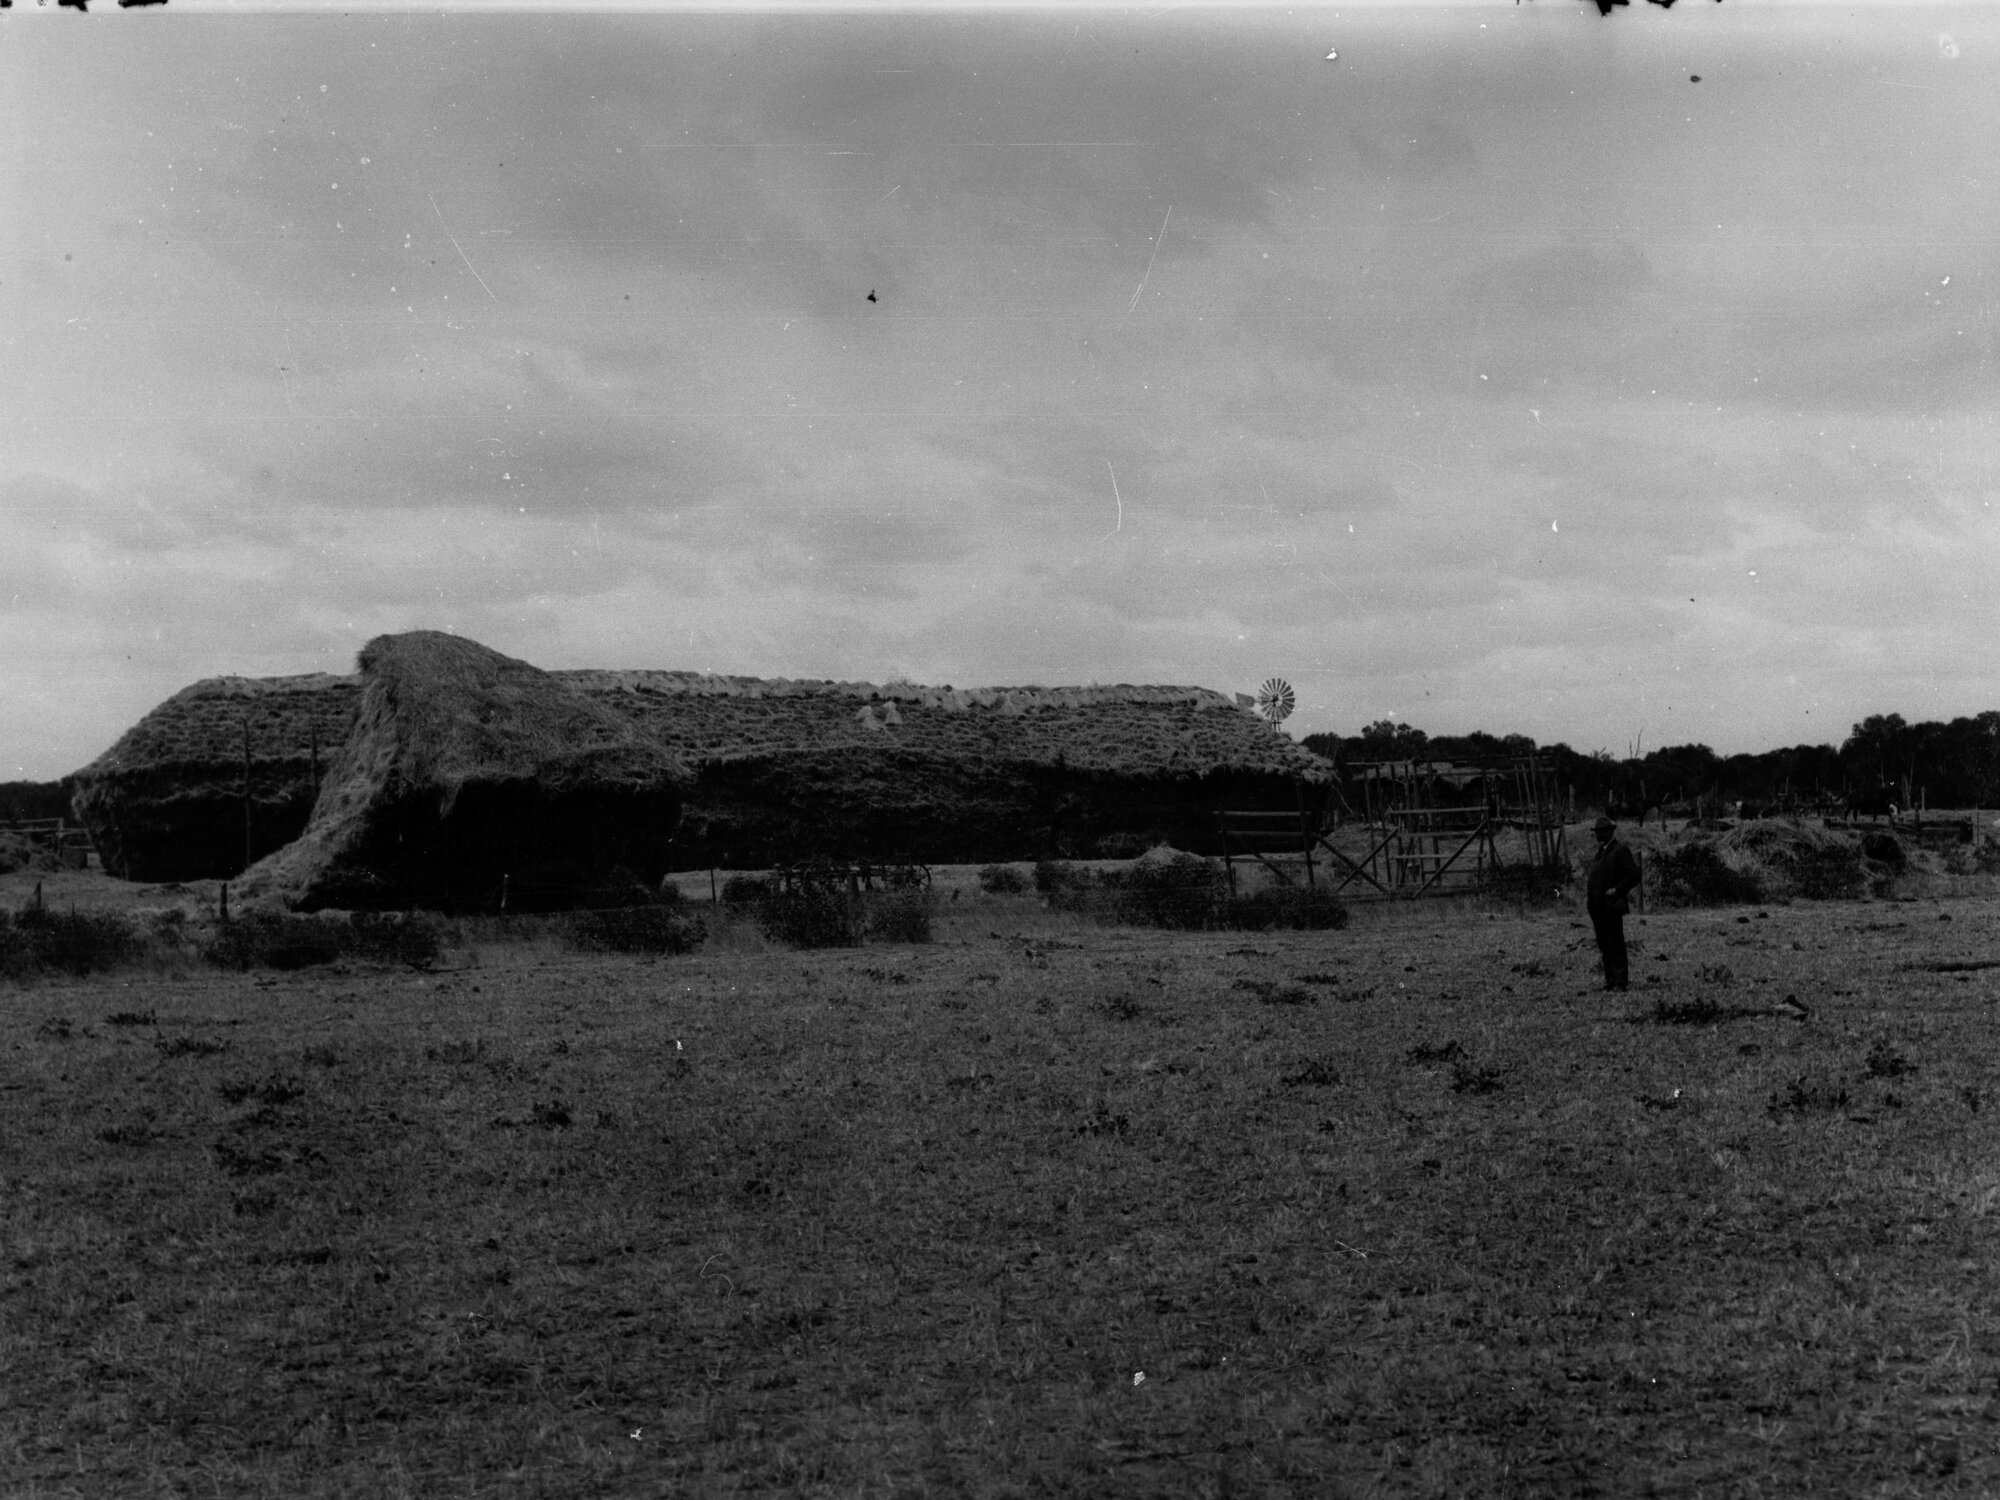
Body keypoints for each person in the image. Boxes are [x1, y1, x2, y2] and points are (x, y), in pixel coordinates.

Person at [1586, 815, 1642, 992]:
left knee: (1615, 943)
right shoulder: (1600, 852)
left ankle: (1620, 982)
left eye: (1602, 832)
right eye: (1597, 832)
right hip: (1597, 907)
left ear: (1610, 832)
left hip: (1611, 905)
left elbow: (1634, 875)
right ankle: (1610, 980)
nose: (1599, 835)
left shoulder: (1619, 851)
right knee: (1603, 943)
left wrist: (1618, 890)